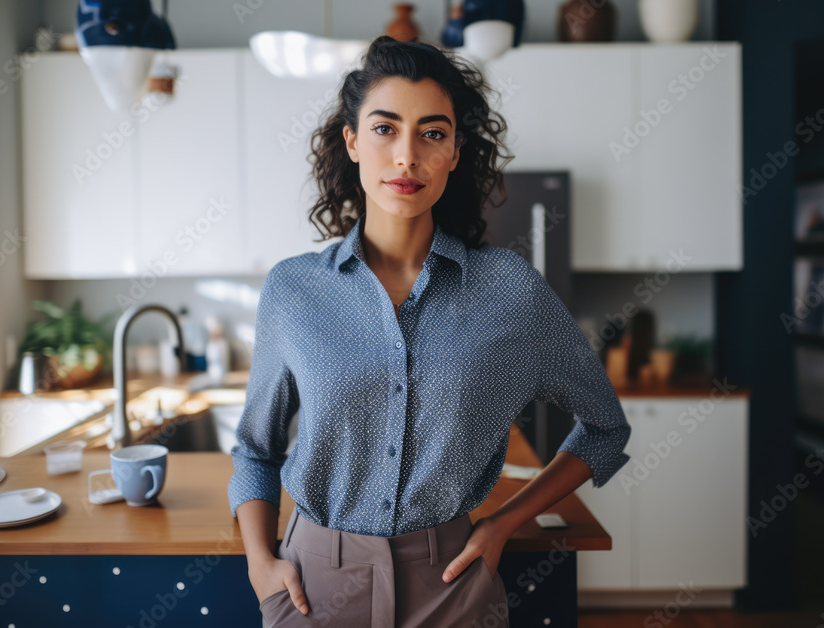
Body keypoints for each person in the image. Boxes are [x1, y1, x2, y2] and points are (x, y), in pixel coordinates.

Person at [228, 35, 631, 628]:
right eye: (385, 129)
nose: (407, 157)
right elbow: (256, 449)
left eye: (433, 133)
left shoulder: (509, 289)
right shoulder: (293, 291)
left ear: (455, 152)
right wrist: (260, 564)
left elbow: (604, 427)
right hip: (314, 586)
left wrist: (503, 522)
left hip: (451, 584)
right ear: (353, 141)